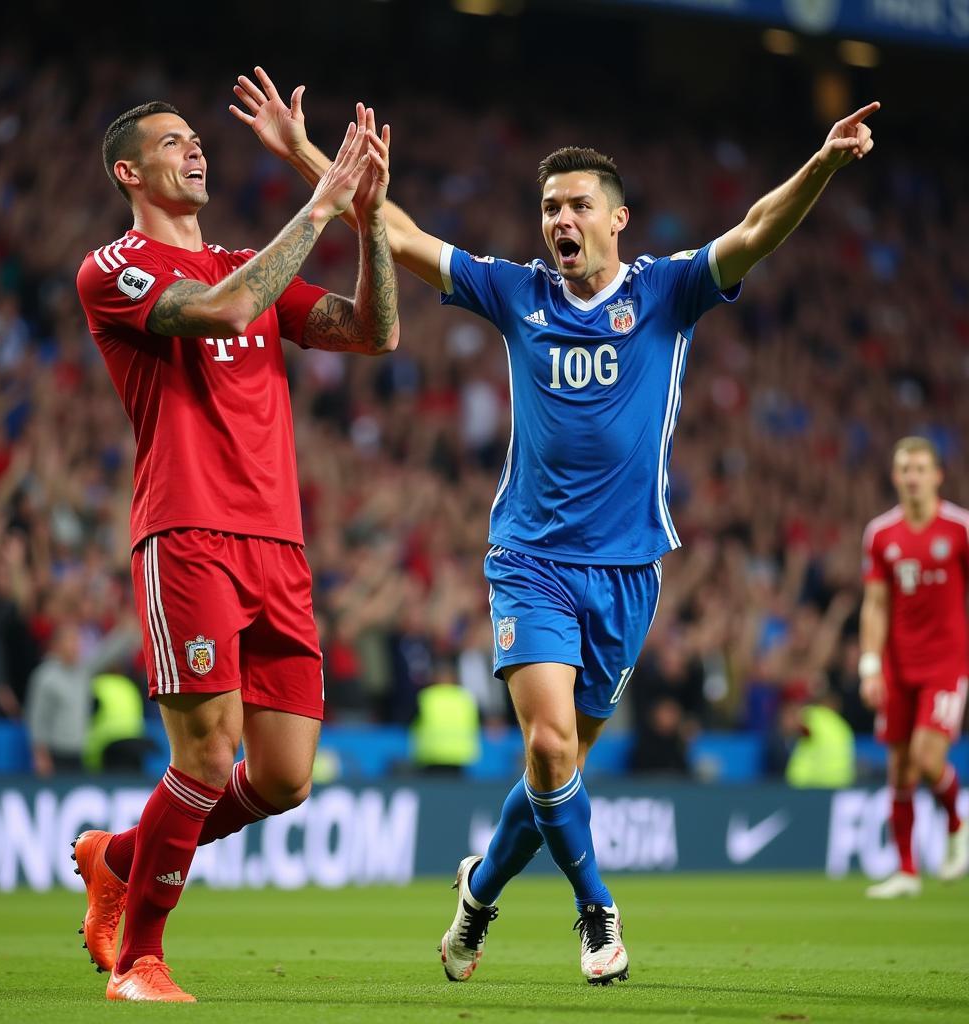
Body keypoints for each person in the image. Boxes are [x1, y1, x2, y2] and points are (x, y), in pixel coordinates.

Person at [230, 67, 878, 984]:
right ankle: (595, 911)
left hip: (628, 571)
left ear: (617, 219)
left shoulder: (666, 293)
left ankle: (478, 896)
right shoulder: (513, 291)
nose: (558, 221)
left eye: (575, 205)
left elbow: (756, 230)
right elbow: (400, 233)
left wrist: (821, 162)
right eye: (547, 207)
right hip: (529, 559)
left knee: (552, 776)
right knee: (547, 744)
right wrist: (309, 157)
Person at [73, 98, 398, 1002]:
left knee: (286, 777)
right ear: (128, 173)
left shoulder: (239, 262)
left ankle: (122, 859)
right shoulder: (116, 267)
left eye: (197, 140)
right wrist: (323, 201)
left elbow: (374, 332)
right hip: (189, 531)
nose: (195, 149)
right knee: (209, 758)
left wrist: (369, 219)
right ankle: (139, 958)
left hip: (279, 544)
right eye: (173, 142)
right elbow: (219, 311)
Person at [860, 437, 969, 898]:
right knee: (900, 769)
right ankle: (906, 871)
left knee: (928, 759)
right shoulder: (882, 534)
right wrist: (870, 664)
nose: (912, 477)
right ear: (895, 477)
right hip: (897, 667)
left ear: (937, 476)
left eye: (921, 468)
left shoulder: (960, 528)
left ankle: (959, 825)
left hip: (946, 663)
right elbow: (876, 604)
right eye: (905, 469)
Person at [24, 618, 140, 776]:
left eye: (77, 640)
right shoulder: (45, 676)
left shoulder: (82, 671)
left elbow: (106, 653)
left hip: (78, 753)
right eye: (71, 640)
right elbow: (37, 717)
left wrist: (126, 632)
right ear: (57, 644)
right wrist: (40, 755)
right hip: (55, 754)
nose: (76, 645)